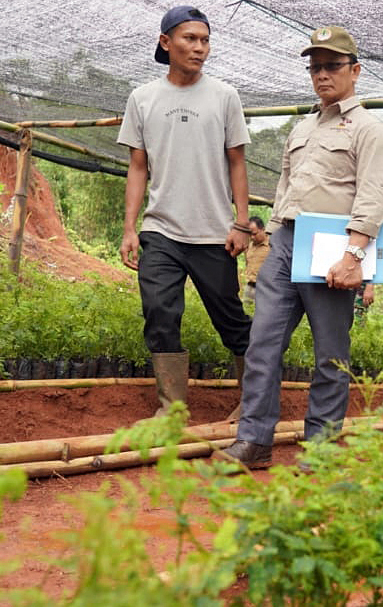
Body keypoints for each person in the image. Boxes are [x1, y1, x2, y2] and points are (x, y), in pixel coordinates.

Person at [214, 25, 383, 469]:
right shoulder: (302, 128)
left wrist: (353, 256)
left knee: (330, 352)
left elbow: (372, 197)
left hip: (334, 250)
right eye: (315, 67)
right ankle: (255, 440)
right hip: (286, 241)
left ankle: (320, 448)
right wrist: (273, 234)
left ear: (355, 71)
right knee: (263, 343)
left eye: (332, 65)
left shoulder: (371, 130)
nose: (322, 75)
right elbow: (285, 188)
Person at [117, 5, 251, 420]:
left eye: (205, 40)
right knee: (159, 310)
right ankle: (171, 410)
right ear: (165, 42)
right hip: (161, 230)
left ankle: (254, 401)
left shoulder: (224, 96)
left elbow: (237, 163)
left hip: (214, 232)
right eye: (190, 39)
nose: (199, 48)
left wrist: (242, 223)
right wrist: (129, 229)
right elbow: (138, 167)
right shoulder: (143, 98)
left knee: (230, 319)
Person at [242, 216, 270, 304]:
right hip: (249, 285)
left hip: (265, 287)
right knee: (247, 310)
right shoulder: (249, 245)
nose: (252, 237)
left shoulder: (272, 245)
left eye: (254, 234)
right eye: (249, 234)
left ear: (263, 229)